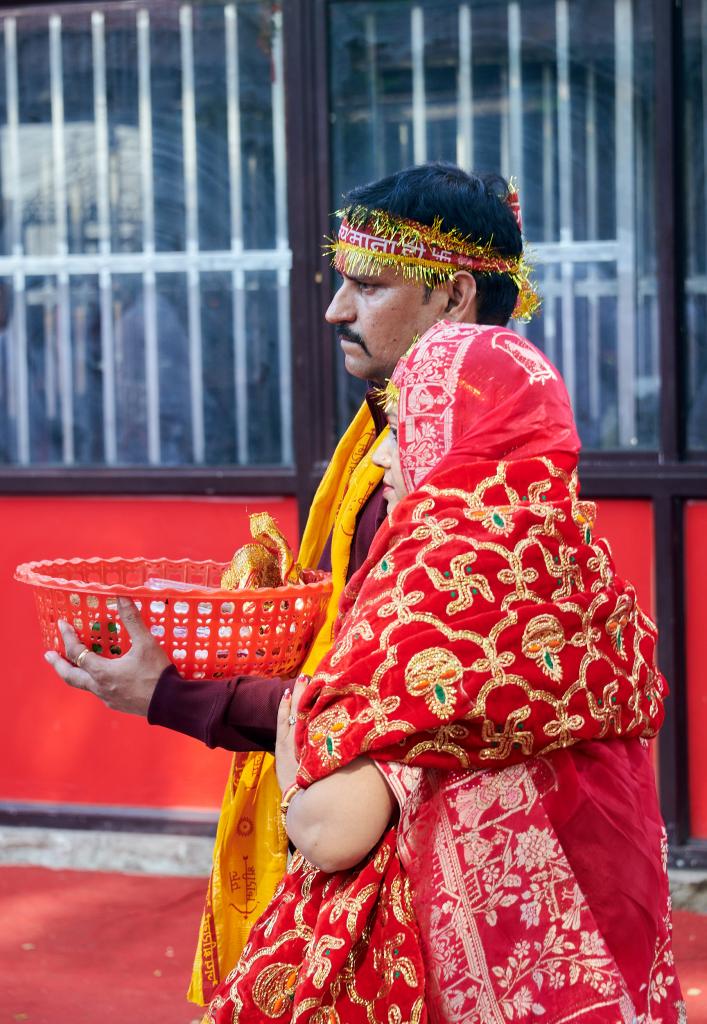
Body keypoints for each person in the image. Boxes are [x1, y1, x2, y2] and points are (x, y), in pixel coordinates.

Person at [43, 162, 541, 998]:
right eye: (340, 282)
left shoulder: (461, 473)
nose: (334, 310)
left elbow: (376, 712)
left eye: (368, 287)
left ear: (452, 297)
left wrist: (171, 692)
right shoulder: (388, 429)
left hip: (430, 862)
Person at [204, 320, 683, 1023]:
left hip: (468, 977)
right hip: (600, 961)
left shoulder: (430, 601)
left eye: (406, 428)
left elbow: (332, 835)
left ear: (457, 441)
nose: (386, 460)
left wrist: (292, 736)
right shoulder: (584, 567)